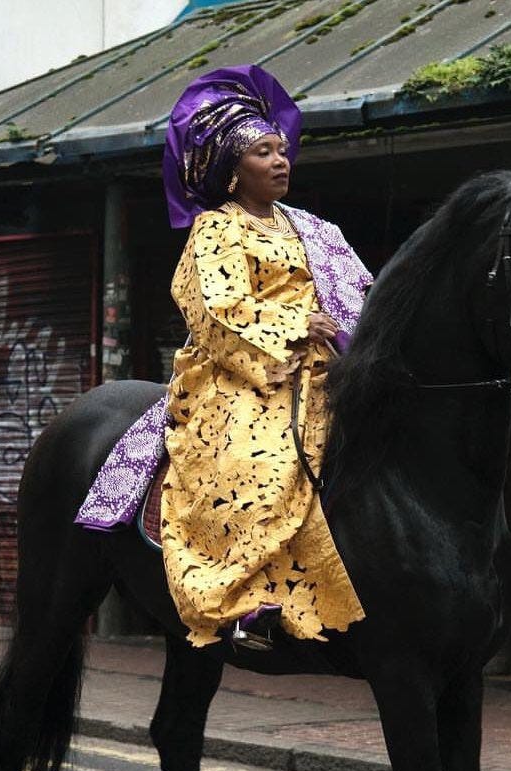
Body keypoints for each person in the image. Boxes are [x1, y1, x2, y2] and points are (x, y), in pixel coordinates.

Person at [158, 65, 371, 650]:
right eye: (262, 152)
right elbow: (215, 309)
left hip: (332, 362)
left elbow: (361, 293)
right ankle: (243, 600)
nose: (280, 161)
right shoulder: (214, 230)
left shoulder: (315, 229)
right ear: (231, 171)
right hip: (245, 372)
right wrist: (298, 324)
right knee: (261, 461)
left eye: (282, 150)